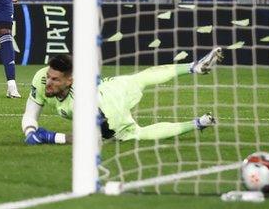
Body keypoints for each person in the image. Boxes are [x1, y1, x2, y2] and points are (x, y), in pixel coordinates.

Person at [22, 48, 224, 145]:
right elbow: (31, 111)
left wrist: (51, 137)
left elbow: (92, 139)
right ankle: (193, 68)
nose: (48, 82)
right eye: (49, 76)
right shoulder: (41, 77)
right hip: (112, 87)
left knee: (138, 133)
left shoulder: (81, 103)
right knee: (142, 78)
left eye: (55, 80)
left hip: (109, 112)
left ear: (70, 81)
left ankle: (197, 122)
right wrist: (30, 131)